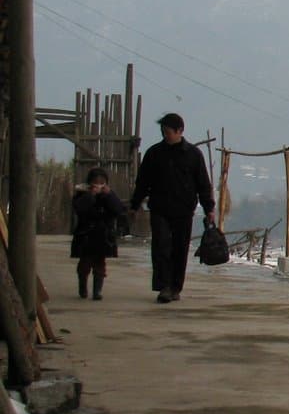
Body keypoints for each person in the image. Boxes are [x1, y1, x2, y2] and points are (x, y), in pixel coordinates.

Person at [129, 112, 215, 303]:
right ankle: (164, 286)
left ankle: (176, 286)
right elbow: (142, 182)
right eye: (163, 131)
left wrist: (209, 208)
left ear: (179, 131)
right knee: (160, 246)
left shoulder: (193, 155)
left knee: (179, 248)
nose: (165, 135)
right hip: (159, 208)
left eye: (168, 131)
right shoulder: (154, 154)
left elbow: (203, 184)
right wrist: (134, 205)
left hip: (183, 210)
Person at [70, 167, 129, 301]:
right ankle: (83, 287)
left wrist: (109, 195)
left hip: (103, 234)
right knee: (84, 264)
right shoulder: (82, 194)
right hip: (86, 234)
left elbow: (118, 210)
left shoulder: (108, 195)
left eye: (101, 182)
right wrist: (90, 195)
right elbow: (79, 209)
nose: (98, 184)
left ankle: (97, 291)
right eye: (95, 182)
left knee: (100, 264)